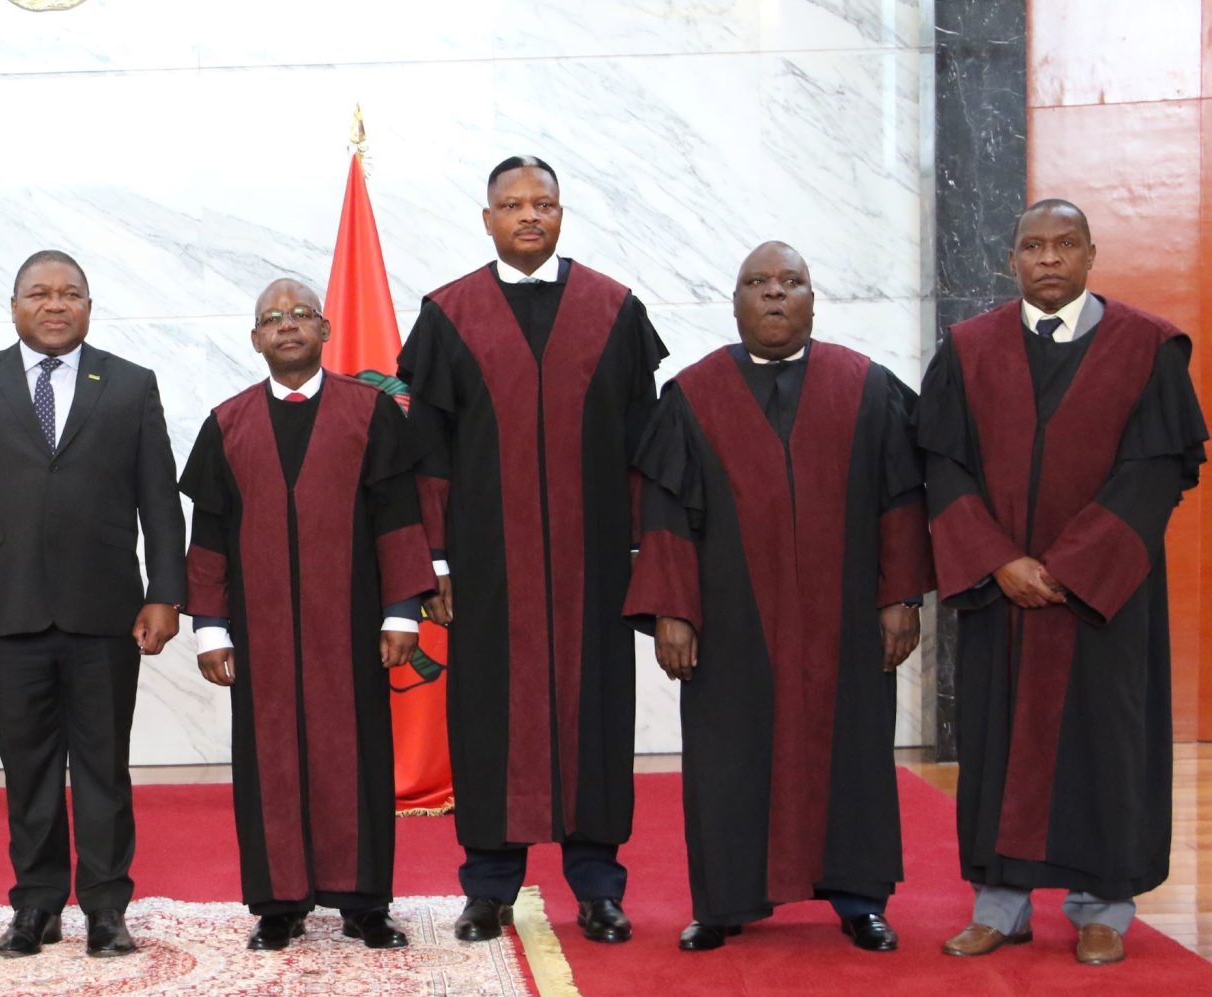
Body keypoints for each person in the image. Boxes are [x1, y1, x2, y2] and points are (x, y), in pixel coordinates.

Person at [921, 199, 1205, 966]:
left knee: (1106, 744)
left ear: (1090, 254)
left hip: (1105, 599)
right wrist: (999, 560)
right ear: (1011, 258)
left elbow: (1154, 474)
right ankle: (1001, 906)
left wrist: (1071, 567)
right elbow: (942, 465)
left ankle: (1103, 907)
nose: (1049, 258)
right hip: (1001, 596)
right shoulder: (968, 350)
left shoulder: (1147, 348)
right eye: (1033, 246)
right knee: (996, 745)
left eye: (1065, 244)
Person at [625, 242, 930, 952]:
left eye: (791, 281)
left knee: (854, 752)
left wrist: (902, 597)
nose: (774, 293)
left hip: (845, 620)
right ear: (734, 303)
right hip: (730, 623)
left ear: (812, 301)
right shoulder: (693, 396)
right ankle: (724, 903)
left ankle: (860, 901)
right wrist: (673, 610)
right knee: (729, 758)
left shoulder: (866, 387)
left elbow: (900, 501)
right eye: (757, 282)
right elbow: (664, 514)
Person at [396, 156, 666, 943]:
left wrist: (644, 551)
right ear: (488, 219)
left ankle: (598, 887)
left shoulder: (613, 310)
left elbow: (642, 447)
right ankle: (489, 887)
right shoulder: (450, 315)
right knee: (489, 717)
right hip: (488, 568)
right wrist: (435, 560)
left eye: (541, 203)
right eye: (511, 205)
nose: (528, 216)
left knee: (597, 717)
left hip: (595, 567)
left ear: (561, 214)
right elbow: (428, 455)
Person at [0, 249, 187, 958]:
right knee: (28, 768)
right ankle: (35, 904)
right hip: (4, 612)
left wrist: (165, 592)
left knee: (104, 767)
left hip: (106, 613)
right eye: (39, 293)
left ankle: (106, 907)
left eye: (70, 293)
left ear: (89, 307)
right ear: (15, 307)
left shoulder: (130, 384)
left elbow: (160, 500)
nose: (55, 303)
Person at [180, 278, 436, 951]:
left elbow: (398, 518)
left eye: (300, 314)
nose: (287, 324)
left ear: (324, 330)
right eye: (272, 317)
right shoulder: (228, 423)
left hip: (351, 626)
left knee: (356, 756)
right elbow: (209, 537)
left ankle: (363, 902)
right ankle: (278, 904)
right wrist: (209, 627)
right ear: (256, 339)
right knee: (269, 762)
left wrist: (401, 613)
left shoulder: (369, 413)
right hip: (259, 633)